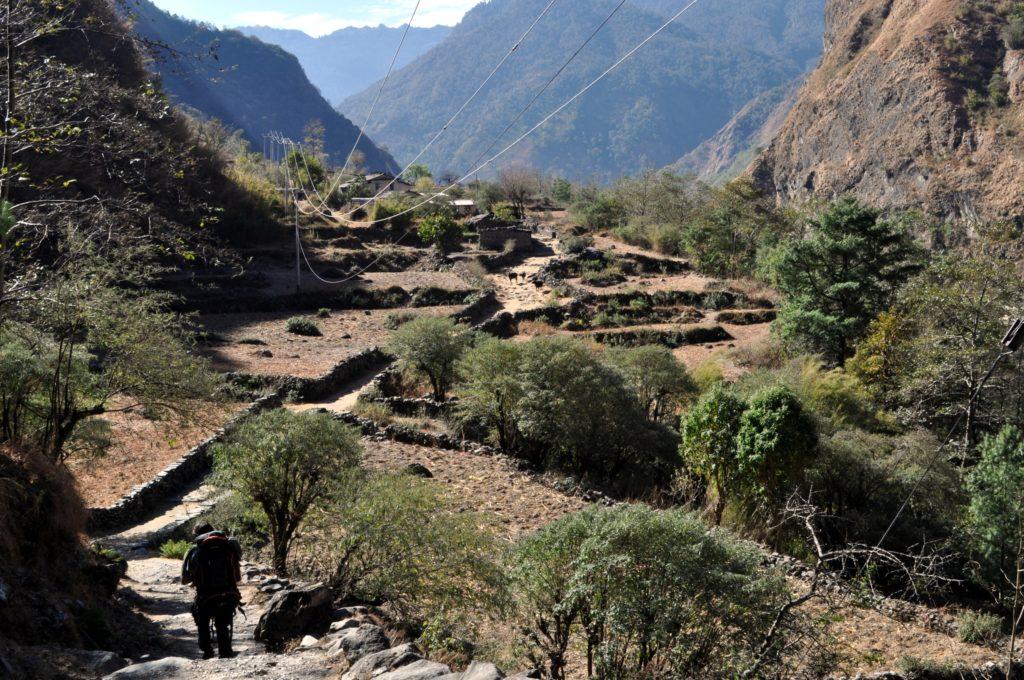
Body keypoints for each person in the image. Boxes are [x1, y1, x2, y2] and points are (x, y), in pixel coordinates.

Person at [181, 522, 243, 659]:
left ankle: (207, 651)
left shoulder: (194, 550)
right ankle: (225, 651)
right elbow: (237, 578)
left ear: (197, 536)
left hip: (206, 597)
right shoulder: (228, 547)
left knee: (201, 618)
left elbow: (184, 580)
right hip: (229, 594)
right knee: (223, 622)